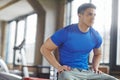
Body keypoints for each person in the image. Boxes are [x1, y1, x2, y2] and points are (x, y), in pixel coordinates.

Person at [40, 3, 118, 80]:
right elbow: (44, 49)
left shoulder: (95, 36)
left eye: (94, 15)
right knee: (66, 77)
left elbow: (98, 54)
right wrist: (58, 67)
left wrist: (95, 67)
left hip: (87, 72)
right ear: (80, 15)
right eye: (90, 14)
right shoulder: (66, 32)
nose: (93, 17)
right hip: (69, 72)